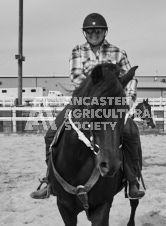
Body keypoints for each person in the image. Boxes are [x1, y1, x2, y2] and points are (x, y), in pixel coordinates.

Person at [30, 13, 145, 200]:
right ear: (85, 33)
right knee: (51, 133)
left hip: (112, 105)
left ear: (104, 32)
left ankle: (132, 180)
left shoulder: (118, 52)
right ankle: (50, 180)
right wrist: (95, 95)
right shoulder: (77, 51)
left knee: (131, 133)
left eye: (98, 30)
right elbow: (76, 77)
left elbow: (129, 79)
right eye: (90, 31)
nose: (94, 34)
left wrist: (127, 101)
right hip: (83, 103)